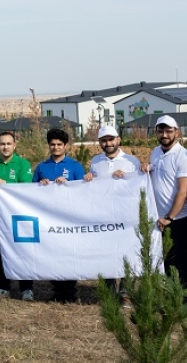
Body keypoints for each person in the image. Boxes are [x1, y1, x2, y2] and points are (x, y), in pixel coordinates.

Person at [83, 125, 141, 307]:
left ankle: (126, 293)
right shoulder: (96, 161)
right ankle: (109, 291)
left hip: (127, 215)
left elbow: (139, 183)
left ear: (118, 140)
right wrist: (89, 177)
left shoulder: (131, 161)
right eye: (104, 140)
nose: (108, 143)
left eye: (111, 139)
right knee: (107, 253)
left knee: (128, 253)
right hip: (104, 215)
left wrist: (127, 176)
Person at [140, 115, 187, 292]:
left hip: (179, 217)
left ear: (176, 132)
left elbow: (183, 191)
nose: (164, 134)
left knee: (181, 258)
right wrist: (145, 168)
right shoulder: (156, 152)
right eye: (160, 130)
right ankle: (171, 296)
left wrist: (169, 217)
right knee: (166, 258)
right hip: (160, 217)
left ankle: (185, 298)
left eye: (168, 131)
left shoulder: (183, 157)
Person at [32, 128, 85, 303]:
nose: (55, 147)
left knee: (69, 254)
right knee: (51, 253)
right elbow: (30, 192)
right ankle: (57, 290)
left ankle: (70, 291)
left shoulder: (75, 166)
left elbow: (83, 190)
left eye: (59, 144)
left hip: (69, 218)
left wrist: (69, 184)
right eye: (52, 144)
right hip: (47, 219)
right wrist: (40, 184)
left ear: (65, 146)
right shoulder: (42, 167)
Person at [0, 131, 34, 300]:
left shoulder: (22, 164)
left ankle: (26, 288)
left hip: (18, 218)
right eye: (2, 144)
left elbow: (26, 188)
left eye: (8, 144)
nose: (5, 147)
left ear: (15, 145)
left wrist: (6, 185)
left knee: (22, 251)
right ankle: (3, 287)